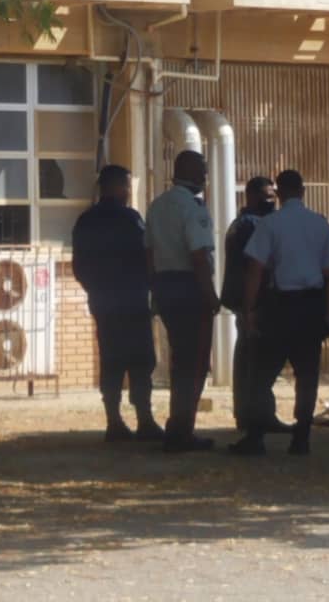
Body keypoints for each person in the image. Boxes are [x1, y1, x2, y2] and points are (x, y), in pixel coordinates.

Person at [241, 169, 329, 456]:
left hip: (279, 306)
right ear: (303, 191)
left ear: (280, 193)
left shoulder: (270, 224)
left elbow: (254, 271)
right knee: (307, 374)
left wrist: (249, 311)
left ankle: (255, 437)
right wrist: (328, 312)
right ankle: (301, 437)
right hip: (311, 306)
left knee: (262, 374)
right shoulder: (320, 224)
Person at [72, 164, 164, 442]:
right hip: (133, 300)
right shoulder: (129, 219)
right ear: (114, 187)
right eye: (125, 185)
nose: (127, 191)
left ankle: (114, 421)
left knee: (111, 360)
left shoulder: (85, 221)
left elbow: (80, 266)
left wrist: (96, 289)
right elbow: (148, 256)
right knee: (140, 359)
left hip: (104, 302)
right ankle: (145, 420)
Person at [145, 150, 219, 452]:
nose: (205, 176)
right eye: (202, 170)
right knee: (196, 361)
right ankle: (183, 430)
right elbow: (199, 256)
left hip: (165, 286)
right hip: (191, 287)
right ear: (191, 172)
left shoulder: (157, 206)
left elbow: (148, 254)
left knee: (179, 360)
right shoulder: (193, 209)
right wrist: (211, 296)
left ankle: (177, 424)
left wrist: (155, 291)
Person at [220, 176, 293, 445]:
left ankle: (255, 415)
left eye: (273, 197)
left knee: (249, 357)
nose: (270, 202)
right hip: (255, 301)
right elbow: (259, 266)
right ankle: (256, 418)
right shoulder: (252, 225)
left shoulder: (242, 223)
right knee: (257, 361)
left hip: (245, 299)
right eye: (265, 197)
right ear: (250, 196)